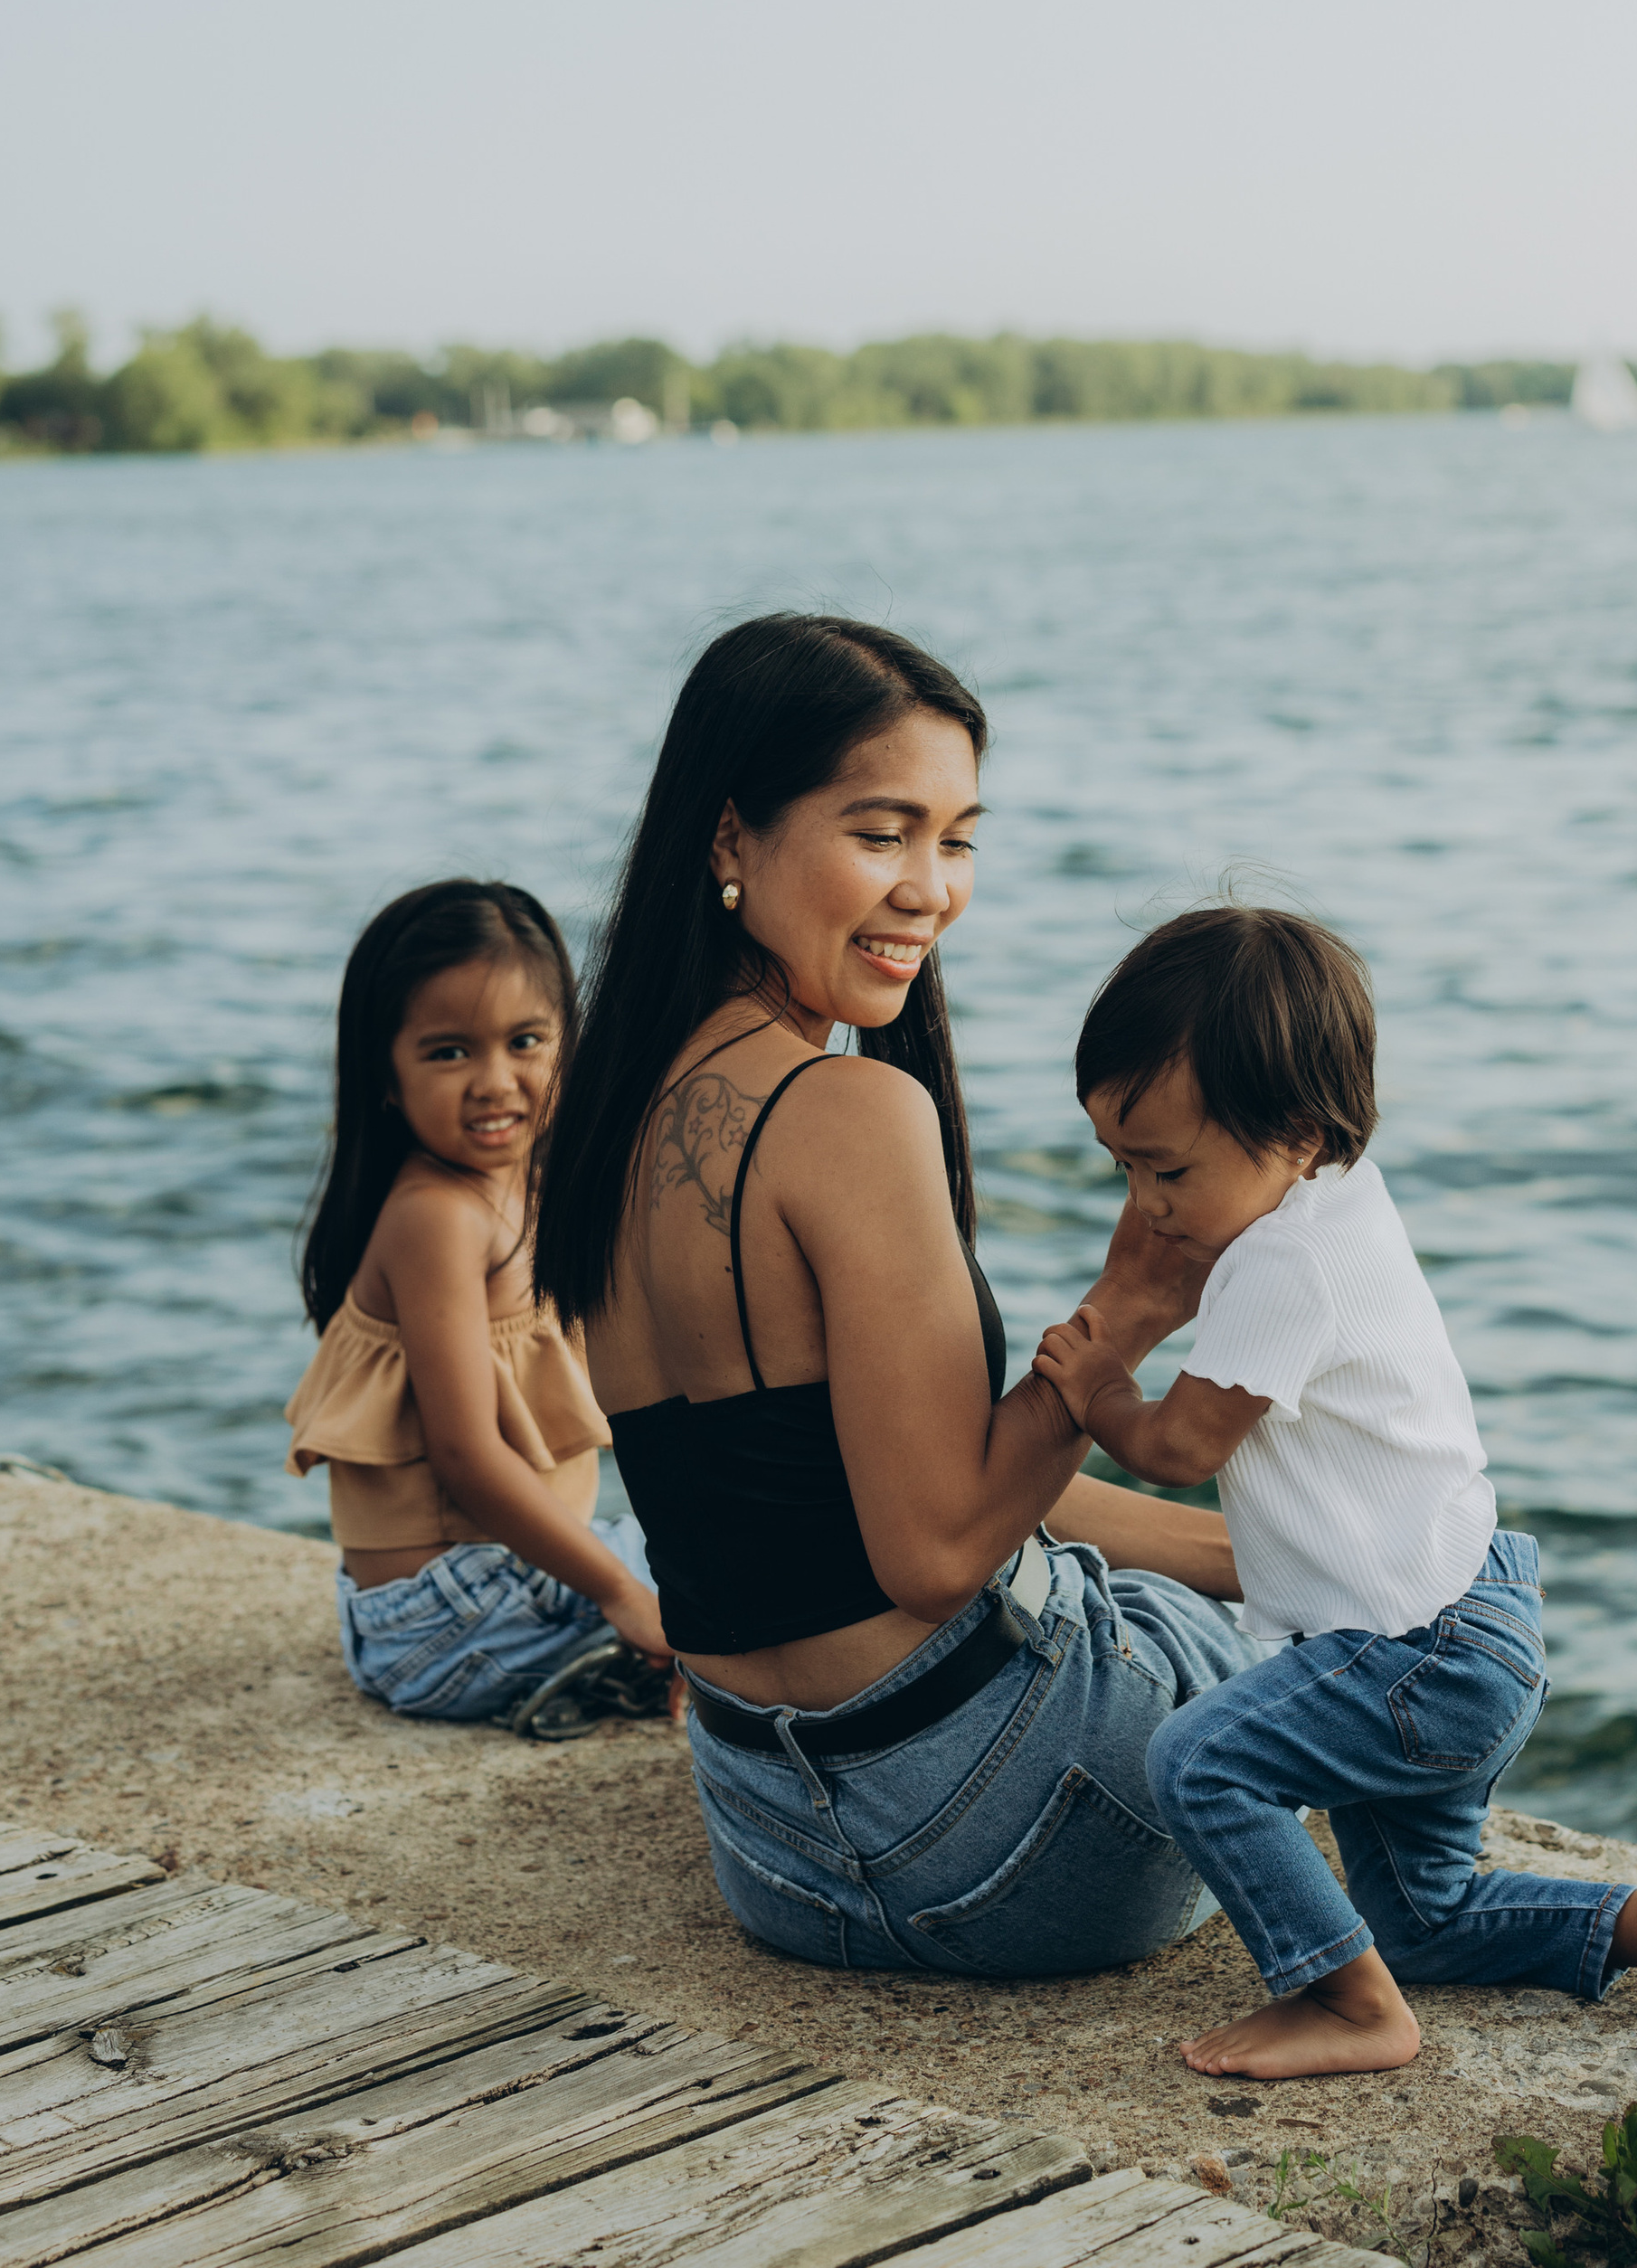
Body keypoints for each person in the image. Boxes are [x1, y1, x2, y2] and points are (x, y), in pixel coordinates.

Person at [534, 612, 1260, 1975]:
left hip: (780, 1851)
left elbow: (886, 1490)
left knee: (1252, 1589)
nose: (931, 887)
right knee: (1370, 1650)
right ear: (731, 838)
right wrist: (1132, 1306)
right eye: (883, 833)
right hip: (1015, 1845)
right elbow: (934, 1553)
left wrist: (1263, 1556)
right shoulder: (846, 1111)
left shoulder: (601, 1115)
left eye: (959, 838)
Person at [1035, 904, 1637, 2080]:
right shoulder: (1340, 1204)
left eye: (1169, 1169)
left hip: (1411, 1656)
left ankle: (1348, 2009)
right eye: (1124, 1169)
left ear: (1294, 1131)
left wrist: (1095, 1382)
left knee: (1197, 1760)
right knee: (1422, 1921)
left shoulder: (1278, 1264)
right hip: (1464, 1621)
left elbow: (1182, 1446)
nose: (1145, 1205)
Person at [287, 878, 672, 1727]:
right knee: (748, 1598)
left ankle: (633, 1660)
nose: (496, 1081)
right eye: (449, 1052)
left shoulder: (525, 1188)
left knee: (739, 1548)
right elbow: (466, 1457)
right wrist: (621, 1595)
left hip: (478, 1595)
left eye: (526, 1041)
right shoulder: (435, 1217)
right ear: (384, 1074)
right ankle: (633, 1661)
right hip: (441, 1623)